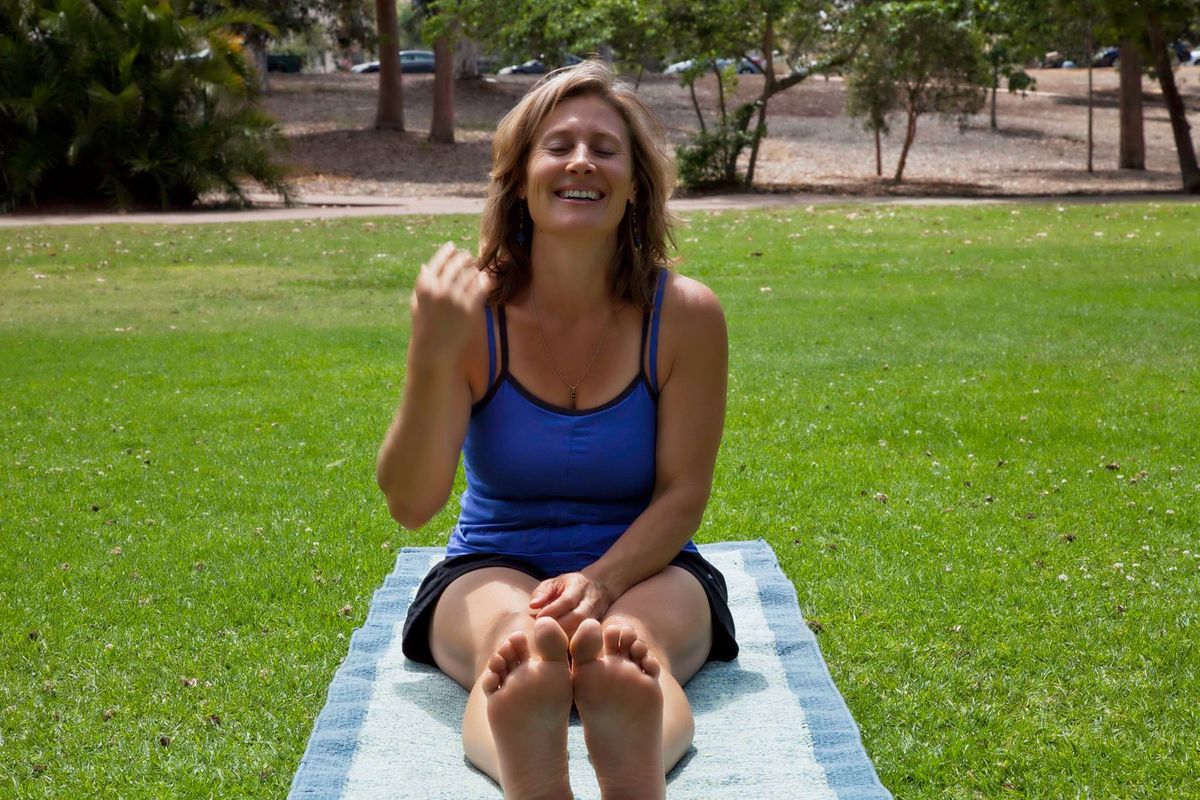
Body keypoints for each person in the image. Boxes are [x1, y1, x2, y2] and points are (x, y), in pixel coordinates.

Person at [376, 59, 737, 800]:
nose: (581, 161)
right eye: (558, 145)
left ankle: (635, 774)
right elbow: (412, 505)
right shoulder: (470, 311)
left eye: (606, 149)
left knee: (627, 654)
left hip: (649, 564)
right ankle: (531, 779)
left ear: (636, 183)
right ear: (520, 179)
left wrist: (600, 584)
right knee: (516, 651)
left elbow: (682, 494)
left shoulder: (688, 316)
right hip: (490, 560)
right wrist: (432, 350)